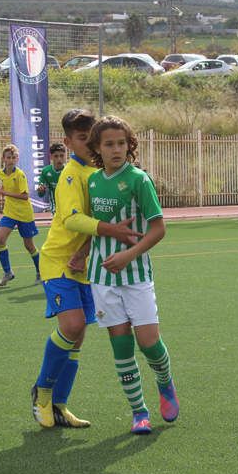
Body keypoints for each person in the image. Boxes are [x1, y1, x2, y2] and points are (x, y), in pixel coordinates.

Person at [31, 109, 144, 429]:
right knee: (73, 325)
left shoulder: (101, 172)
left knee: (78, 336)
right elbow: (72, 220)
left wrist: (85, 250)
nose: (89, 143)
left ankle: (60, 405)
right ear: (68, 142)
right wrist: (110, 231)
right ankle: (42, 392)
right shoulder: (70, 175)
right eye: (82, 139)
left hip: (85, 264)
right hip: (56, 261)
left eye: (91, 136)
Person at [84, 115, 179, 435]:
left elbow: (158, 228)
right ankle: (139, 411)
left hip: (136, 275)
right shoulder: (93, 181)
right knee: (121, 347)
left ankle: (165, 382)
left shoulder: (139, 180)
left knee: (149, 343)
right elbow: (93, 225)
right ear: (97, 147)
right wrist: (82, 253)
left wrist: (127, 255)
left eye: (121, 143)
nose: (116, 149)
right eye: (109, 144)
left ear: (130, 146)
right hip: (102, 278)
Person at [0, 144, 41, 285]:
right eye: (8, 157)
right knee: (0, 240)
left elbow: (25, 196)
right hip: (9, 213)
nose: (11, 160)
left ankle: (40, 271)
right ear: (3, 159)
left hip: (24, 214)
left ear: (17, 159)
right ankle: (8, 273)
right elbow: (4, 185)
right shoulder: (1, 173)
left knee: (29, 246)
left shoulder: (20, 175)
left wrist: (3, 193)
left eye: (13, 157)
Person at [37, 143, 67, 214]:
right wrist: (41, 190)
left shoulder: (69, 171)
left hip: (69, 206)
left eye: (61, 156)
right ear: (51, 157)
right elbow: (40, 194)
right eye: (56, 156)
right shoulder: (46, 171)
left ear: (65, 156)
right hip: (55, 208)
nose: (59, 159)